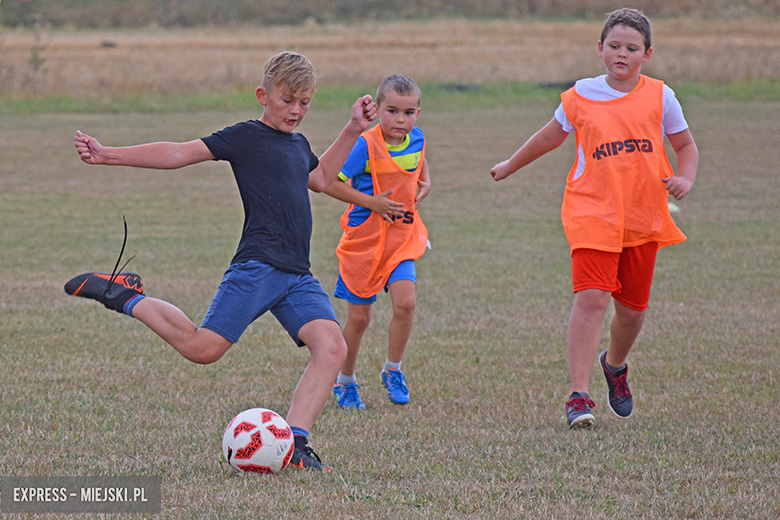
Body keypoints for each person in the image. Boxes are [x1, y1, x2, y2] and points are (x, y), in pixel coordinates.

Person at [66, 51, 377, 469]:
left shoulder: (299, 144)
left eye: (305, 102)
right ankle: (123, 294)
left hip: (296, 275)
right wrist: (108, 154)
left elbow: (320, 180)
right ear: (262, 96)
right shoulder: (245, 137)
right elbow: (178, 153)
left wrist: (354, 128)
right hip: (258, 265)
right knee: (202, 349)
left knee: (331, 347)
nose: (297, 111)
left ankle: (295, 445)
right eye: (287, 100)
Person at [490, 8, 698, 428]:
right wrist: (511, 164)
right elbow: (551, 135)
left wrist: (686, 177)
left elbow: (686, 145)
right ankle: (578, 395)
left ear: (647, 54)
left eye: (632, 48)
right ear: (600, 48)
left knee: (633, 311)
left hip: (641, 215)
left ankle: (615, 366)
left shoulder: (661, 96)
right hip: (592, 212)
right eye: (615, 45)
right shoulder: (581, 95)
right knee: (591, 299)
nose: (622, 53)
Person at [325, 74, 431, 410]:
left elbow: (418, 165)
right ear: (378, 109)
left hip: (401, 237)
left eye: (409, 112)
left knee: (406, 304)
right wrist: (373, 203)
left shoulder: (417, 139)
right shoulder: (365, 145)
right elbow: (330, 183)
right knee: (359, 318)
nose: (401, 120)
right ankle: (345, 381)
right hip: (364, 242)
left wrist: (426, 183)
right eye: (393, 111)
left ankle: (393, 369)